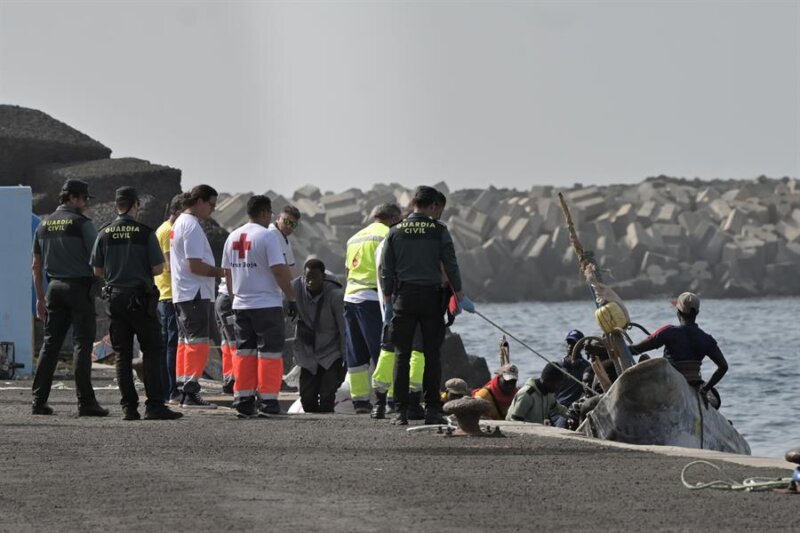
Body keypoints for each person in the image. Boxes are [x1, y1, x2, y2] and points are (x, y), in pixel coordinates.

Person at [90, 187, 183, 420]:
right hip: (140, 299)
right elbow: (158, 268)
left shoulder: (105, 233)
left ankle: (129, 408)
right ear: (135, 205)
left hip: (114, 298)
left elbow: (97, 269)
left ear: (116, 206)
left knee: (122, 353)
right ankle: (154, 406)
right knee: (152, 350)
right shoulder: (144, 233)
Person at [381, 186, 465, 425]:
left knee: (401, 355)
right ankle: (432, 410)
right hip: (431, 298)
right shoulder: (439, 231)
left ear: (413, 203)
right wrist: (458, 294)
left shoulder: (395, 231)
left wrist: (388, 301)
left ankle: (400, 411)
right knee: (431, 355)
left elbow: (387, 270)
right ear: (433, 206)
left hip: (403, 298)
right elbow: (450, 264)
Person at [31, 179, 108, 417]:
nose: (85, 203)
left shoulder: (43, 226)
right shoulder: (81, 224)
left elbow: (36, 265)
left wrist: (40, 298)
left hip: (54, 288)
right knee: (82, 345)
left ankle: (38, 401)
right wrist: (101, 285)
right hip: (79, 289)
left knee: (50, 345)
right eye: (84, 198)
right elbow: (99, 259)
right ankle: (86, 403)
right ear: (73, 198)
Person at [222, 195, 297, 418]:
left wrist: (236, 297)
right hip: (266, 304)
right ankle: (268, 403)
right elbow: (279, 270)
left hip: (241, 304)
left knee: (244, 352)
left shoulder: (233, 236)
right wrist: (291, 297)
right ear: (265, 213)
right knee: (270, 354)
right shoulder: (267, 236)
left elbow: (227, 273)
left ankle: (243, 401)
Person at [344, 203, 402, 414]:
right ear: (394, 218)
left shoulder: (354, 238)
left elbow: (348, 269)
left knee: (355, 351)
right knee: (384, 349)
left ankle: (359, 400)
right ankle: (389, 398)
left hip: (350, 297)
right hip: (373, 298)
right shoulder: (389, 235)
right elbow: (389, 269)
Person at [171, 184, 225, 409]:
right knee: (198, 343)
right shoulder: (191, 225)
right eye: (211, 205)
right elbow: (195, 265)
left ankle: (183, 389)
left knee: (185, 343)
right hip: (194, 293)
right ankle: (191, 390)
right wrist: (221, 272)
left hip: (182, 292)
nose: (212, 210)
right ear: (200, 201)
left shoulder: (179, 223)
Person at [370, 208, 425, 420]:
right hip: (409, 304)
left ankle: (382, 403)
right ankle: (409, 402)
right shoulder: (403, 242)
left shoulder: (388, 241)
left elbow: (384, 275)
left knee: (389, 353)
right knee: (414, 354)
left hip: (392, 307)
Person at [629, 292, 728, 403]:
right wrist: (705, 390)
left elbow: (635, 350)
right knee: (716, 397)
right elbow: (723, 367)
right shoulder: (707, 339)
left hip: (669, 382)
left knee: (644, 360)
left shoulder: (668, 332)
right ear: (697, 313)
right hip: (694, 383)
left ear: (678, 313)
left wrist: (620, 346)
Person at [291, 258, 346, 413]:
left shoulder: (335, 296)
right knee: (307, 402)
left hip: (330, 353)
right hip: (307, 352)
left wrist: (345, 359)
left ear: (323, 277)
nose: (310, 282)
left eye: (314, 278)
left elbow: (344, 330)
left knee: (327, 398)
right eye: (307, 278)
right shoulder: (295, 288)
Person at [154, 193, 184, 403]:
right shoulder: (167, 231)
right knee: (170, 344)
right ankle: (171, 390)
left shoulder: (165, 229)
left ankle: (168, 389)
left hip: (166, 294)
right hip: (169, 294)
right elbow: (168, 264)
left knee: (168, 343)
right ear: (177, 211)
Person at [551, 330, 590, 428]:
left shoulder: (586, 367)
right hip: (554, 407)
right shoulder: (558, 365)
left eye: (574, 343)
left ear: (581, 346)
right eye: (569, 343)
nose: (570, 346)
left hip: (570, 410)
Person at [215, 275, 237, 395]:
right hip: (231, 298)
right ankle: (235, 381)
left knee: (228, 343)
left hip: (224, 298)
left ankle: (230, 381)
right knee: (235, 344)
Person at [269, 205, 301, 275]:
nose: (289, 226)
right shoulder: (272, 234)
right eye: (286, 221)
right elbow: (280, 270)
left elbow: (291, 267)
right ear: (278, 218)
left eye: (293, 224)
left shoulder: (283, 237)